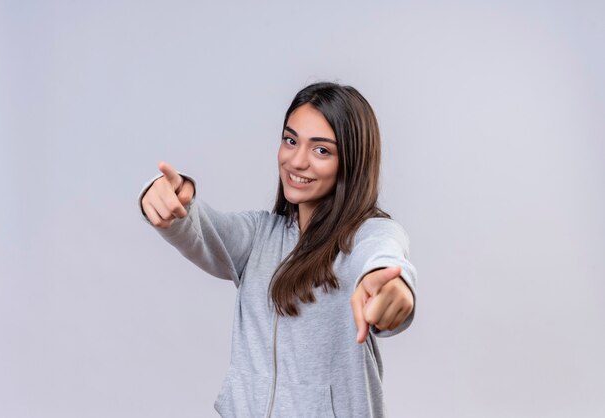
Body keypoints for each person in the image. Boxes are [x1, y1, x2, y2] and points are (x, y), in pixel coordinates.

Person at [138, 82, 417, 417]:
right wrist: (169, 196)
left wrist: (391, 288)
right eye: (290, 140)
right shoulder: (258, 237)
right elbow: (198, 225)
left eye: (321, 150)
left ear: (351, 163)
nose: (296, 161)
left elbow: (384, 256)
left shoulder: (367, 235)